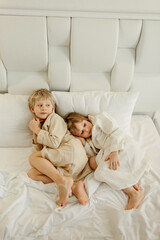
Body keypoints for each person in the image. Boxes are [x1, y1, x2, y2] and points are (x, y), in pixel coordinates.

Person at [65, 112, 151, 210]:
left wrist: (114, 152)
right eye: (81, 132)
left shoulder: (99, 119)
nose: (86, 130)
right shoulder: (89, 139)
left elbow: (116, 131)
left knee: (101, 171)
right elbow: (94, 154)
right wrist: (84, 144)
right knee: (94, 164)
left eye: (84, 125)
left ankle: (133, 193)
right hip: (108, 152)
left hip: (121, 145)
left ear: (86, 119)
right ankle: (129, 180)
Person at [27, 89, 92, 207]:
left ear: (52, 108)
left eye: (47, 105)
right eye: (39, 105)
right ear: (33, 109)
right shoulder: (39, 125)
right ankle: (73, 186)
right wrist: (35, 131)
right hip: (67, 163)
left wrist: (37, 130)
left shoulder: (55, 119)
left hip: (71, 151)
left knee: (32, 158)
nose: (44, 108)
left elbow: (54, 142)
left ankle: (62, 182)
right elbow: (40, 155)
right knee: (32, 173)